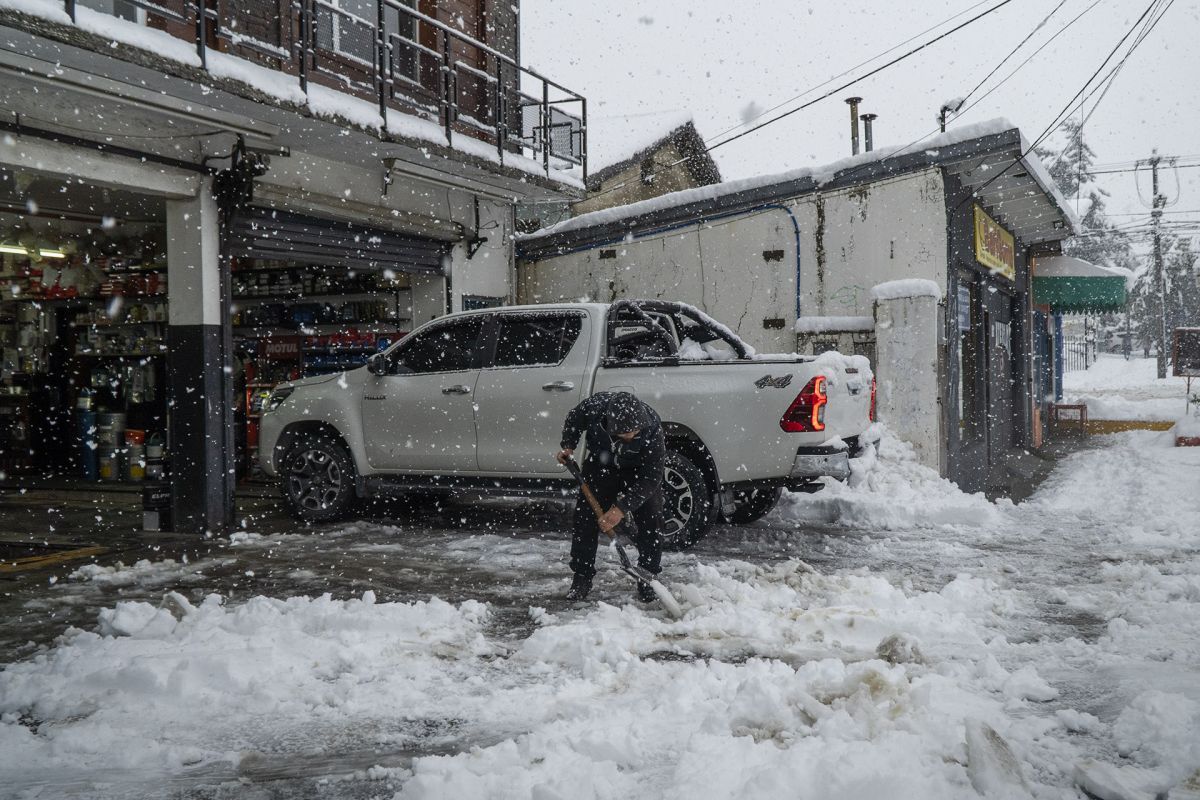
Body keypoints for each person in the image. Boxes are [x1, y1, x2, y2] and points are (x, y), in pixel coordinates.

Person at [556, 391, 665, 602]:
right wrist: (568, 444)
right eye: (625, 433)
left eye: (635, 431)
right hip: (601, 464)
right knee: (585, 519)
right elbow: (574, 418)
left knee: (652, 516)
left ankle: (648, 576)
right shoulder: (595, 408)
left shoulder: (652, 427)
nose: (632, 436)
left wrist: (621, 508)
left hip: (637, 469)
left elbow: (651, 478)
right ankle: (582, 577)